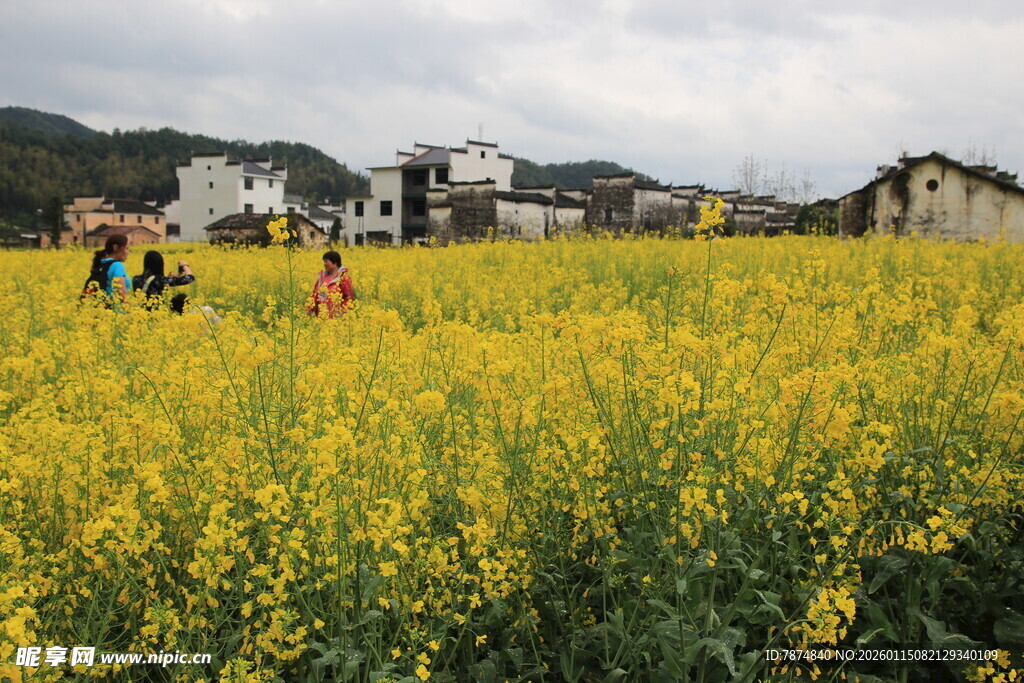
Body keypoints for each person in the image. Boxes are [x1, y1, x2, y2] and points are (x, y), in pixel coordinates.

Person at [81, 235, 131, 305]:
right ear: (115, 247)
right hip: (115, 311)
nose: (128, 252)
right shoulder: (117, 265)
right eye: (126, 248)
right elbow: (121, 293)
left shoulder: (102, 263)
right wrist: (132, 311)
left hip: (102, 309)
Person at [307, 250, 355, 318]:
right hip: (320, 317)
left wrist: (342, 312)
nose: (324, 264)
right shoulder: (322, 278)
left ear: (334, 262)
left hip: (336, 318)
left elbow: (349, 298)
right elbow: (314, 295)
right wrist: (309, 308)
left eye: (326, 261)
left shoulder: (343, 278)